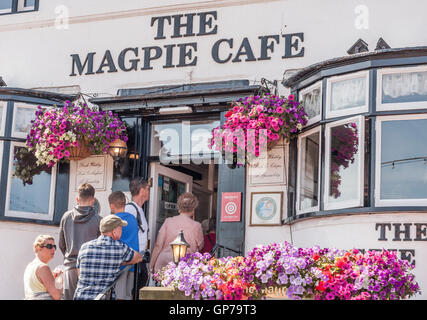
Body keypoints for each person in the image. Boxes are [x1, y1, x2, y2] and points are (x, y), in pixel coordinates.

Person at [73, 215, 143, 300]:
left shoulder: (84, 247)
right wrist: (120, 262)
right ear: (114, 231)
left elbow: (80, 274)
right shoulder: (119, 247)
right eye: (120, 228)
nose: (121, 231)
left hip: (80, 297)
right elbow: (138, 257)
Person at [58, 183, 102, 300]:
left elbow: (61, 244)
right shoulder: (98, 220)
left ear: (77, 199)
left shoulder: (66, 217)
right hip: (90, 269)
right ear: (93, 200)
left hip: (70, 268)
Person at [150, 192, 204, 274]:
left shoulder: (168, 221)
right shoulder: (197, 226)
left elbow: (158, 245)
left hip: (164, 263)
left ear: (179, 207)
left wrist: (151, 266)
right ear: (193, 209)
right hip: (186, 266)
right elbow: (200, 246)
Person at [109, 191, 139, 300]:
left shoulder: (113, 220)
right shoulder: (132, 219)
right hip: (133, 263)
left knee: (118, 296)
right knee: (128, 295)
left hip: (119, 264)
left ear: (111, 206)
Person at [125, 178, 150, 293]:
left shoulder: (139, 210)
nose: (149, 191)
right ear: (142, 190)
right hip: (131, 263)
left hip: (139, 261)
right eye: (147, 189)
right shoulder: (130, 209)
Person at [24, 235, 63, 300]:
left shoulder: (29, 266)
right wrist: (60, 278)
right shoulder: (43, 267)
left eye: (54, 246)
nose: (53, 249)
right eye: (49, 246)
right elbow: (57, 296)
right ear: (39, 248)